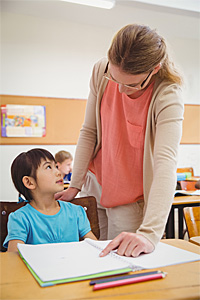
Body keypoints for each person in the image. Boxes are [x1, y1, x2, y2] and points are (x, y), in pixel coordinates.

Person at [55, 24, 184, 258]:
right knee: (90, 258)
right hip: (95, 184)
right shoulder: (100, 71)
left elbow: (165, 163)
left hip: (130, 199)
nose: (122, 90)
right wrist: (75, 184)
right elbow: (89, 131)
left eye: (132, 84)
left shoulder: (167, 95)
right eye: (115, 79)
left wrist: (149, 233)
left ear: (154, 69)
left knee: (122, 267)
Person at [3, 148, 96, 252]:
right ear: (29, 182)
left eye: (56, 166)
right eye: (48, 167)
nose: (58, 172)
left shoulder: (76, 212)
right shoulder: (20, 218)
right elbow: (14, 258)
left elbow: (95, 248)